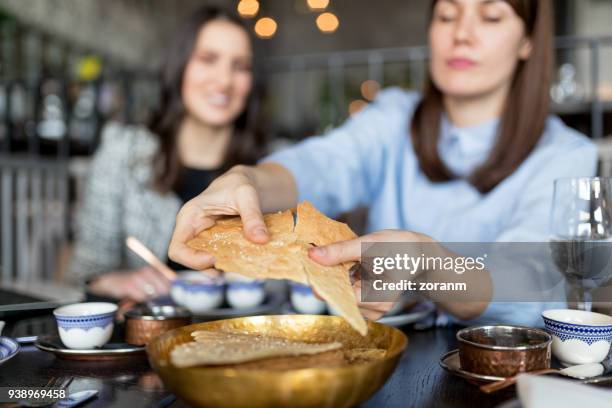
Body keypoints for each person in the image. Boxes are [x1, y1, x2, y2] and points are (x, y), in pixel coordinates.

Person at [167, 0, 598, 326]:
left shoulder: (566, 155)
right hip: (388, 362)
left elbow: (529, 280)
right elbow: (320, 165)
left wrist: (427, 262)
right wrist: (244, 180)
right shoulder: (393, 119)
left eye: (490, 17)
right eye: (447, 15)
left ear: (527, 40)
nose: (461, 34)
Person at [67, 6, 266, 302]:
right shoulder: (123, 152)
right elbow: (85, 274)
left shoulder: (272, 168)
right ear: (179, 66)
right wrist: (119, 281)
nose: (224, 80)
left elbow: (349, 260)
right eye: (208, 59)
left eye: (240, 66)